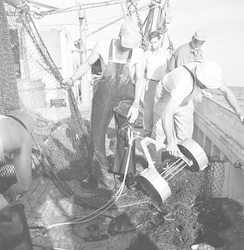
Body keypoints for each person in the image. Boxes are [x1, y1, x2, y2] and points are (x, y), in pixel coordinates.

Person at [61, 21, 145, 179]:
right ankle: (98, 171)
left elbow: (140, 80)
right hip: (103, 97)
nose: (127, 48)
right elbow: (86, 64)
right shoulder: (102, 46)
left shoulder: (139, 53)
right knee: (97, 134)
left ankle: (125, 171)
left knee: (126, 135)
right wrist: (72, 79)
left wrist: (135, 103)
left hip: (126, 98)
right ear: (119, 36)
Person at [152, 60, 244, 159]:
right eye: (204, 86)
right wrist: (171, 141)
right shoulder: (184, 83)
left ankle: (175, 163)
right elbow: (166, 113)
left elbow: (226, 91)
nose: (205, 88)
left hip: (186, 97)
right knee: (159, 135)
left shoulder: (211, 72)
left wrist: (239, 112)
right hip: (166, 94)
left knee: (185, 137)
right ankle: (154, 164)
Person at [0, 109, 35, 206]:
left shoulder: (3, 120)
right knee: (5, 213)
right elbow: (24, 186)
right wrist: (12, 190)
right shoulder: (24, 135)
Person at [143, 31, 169, 138]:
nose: (153, 45)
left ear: (159, 40)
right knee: (148, 110)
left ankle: (158, 135)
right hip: (150, 83)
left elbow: (169, 70)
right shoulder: (147, 54)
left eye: (154, 42)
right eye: (151, 43)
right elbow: (142, 72)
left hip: (163, 85)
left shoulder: (166, 54)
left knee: (160, 110)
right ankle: (147, 133)